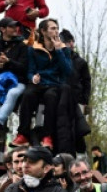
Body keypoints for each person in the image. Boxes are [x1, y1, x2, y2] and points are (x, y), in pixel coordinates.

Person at [13, 18, 73, 150]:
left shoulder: (64, 49)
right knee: (27, 94)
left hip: (54, 84)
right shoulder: (33, 48)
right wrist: (33, 77)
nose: (56, 31)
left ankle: (47, 136)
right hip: (38, 83)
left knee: (51, 97)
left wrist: (58, 51)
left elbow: (68, 71)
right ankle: (23, 134)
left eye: (57, 28)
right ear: (43, 31)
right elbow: (30, 71)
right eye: (52, 28)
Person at [0, 17, 28, 139]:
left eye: (16, 26)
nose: (16, 29)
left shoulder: (22, 46)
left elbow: (24, 68)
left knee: (13, 93)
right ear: (2, 29)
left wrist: (8, 62)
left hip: (18, 81)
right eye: (12, 26)